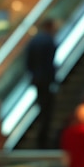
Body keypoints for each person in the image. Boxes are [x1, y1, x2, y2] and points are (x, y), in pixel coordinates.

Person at [25, 18, 58, 148]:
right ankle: (43, 141)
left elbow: (28, 62)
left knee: (41, 107)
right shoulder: (49, 41)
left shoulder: (34, 41)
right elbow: (50, 64)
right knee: (47, 111)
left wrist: (33, 75)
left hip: (37, 80)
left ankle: (40, 140)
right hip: (47, 81)